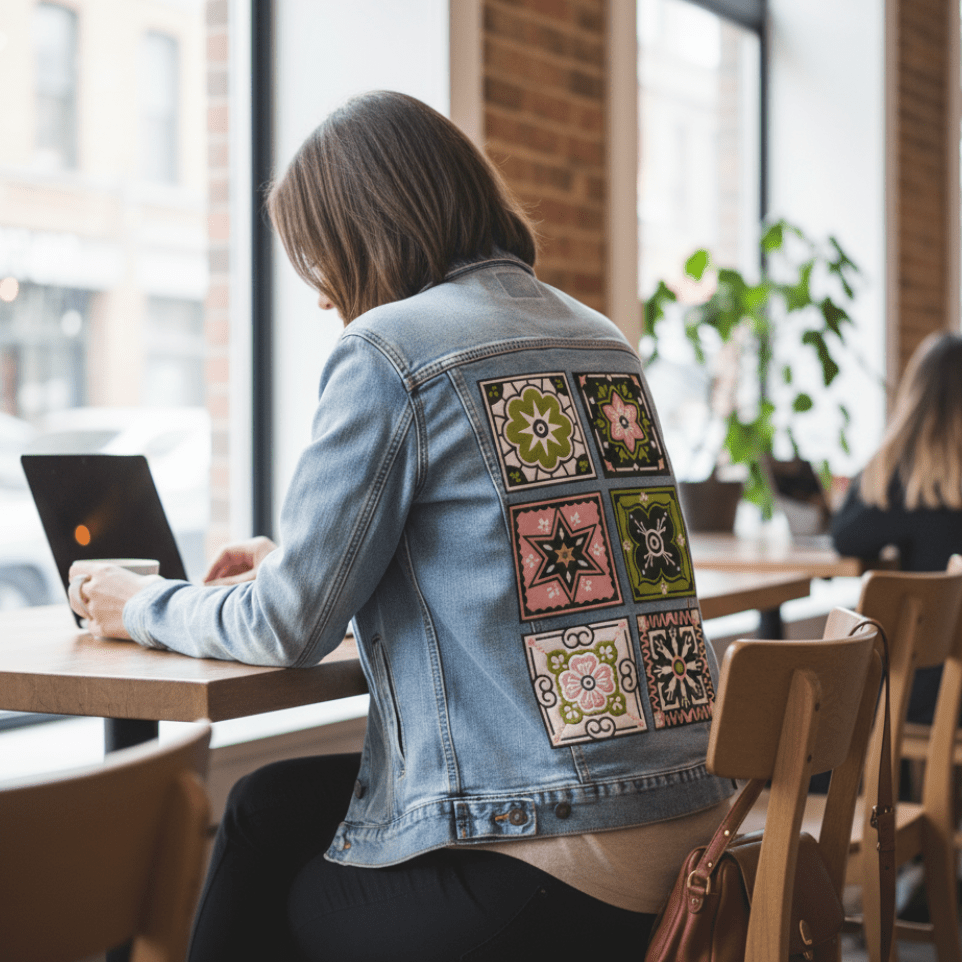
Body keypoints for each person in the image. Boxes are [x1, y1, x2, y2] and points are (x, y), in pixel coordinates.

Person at [68, 91, 732, 962]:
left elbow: (286, 626)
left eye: (319, 263)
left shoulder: (391, 347)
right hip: (693, 834)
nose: (320, 298)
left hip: (559, 868)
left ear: (360, 235)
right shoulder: (600, 337)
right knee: (265, 806)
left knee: (284, 886)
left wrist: (142, 602)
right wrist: (297, 560)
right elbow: (540, 545)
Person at [832, 331, 962, 723]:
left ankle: (890, 785)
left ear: (915, 398)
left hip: (925, 688)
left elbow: (845, 535)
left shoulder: (905, 482)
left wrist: (887, 455)